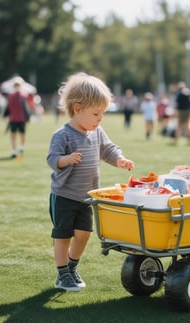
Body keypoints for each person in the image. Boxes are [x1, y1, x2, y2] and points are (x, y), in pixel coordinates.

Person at [46, 72, 135, 292]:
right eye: (96, 113)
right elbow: (52, 159)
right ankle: (62, 273)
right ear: (77, 109)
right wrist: (65, 160)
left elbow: (108, 150)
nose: (100, 118)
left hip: (87, 197)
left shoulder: (97, 132)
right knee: (63, 235)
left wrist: (120, 160)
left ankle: (72, 267)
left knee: (84, 234)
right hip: (64, 196)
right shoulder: (62, 135)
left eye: (102, 113)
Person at [6, 81, 30, 158]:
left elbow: (8, 107)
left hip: (17, 118)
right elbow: (25, 108)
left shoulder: (15, 96)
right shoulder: (22, 95)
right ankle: (16, 149)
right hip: (17, 118)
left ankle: (18, 149)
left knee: (17, 135)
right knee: (17, 135)